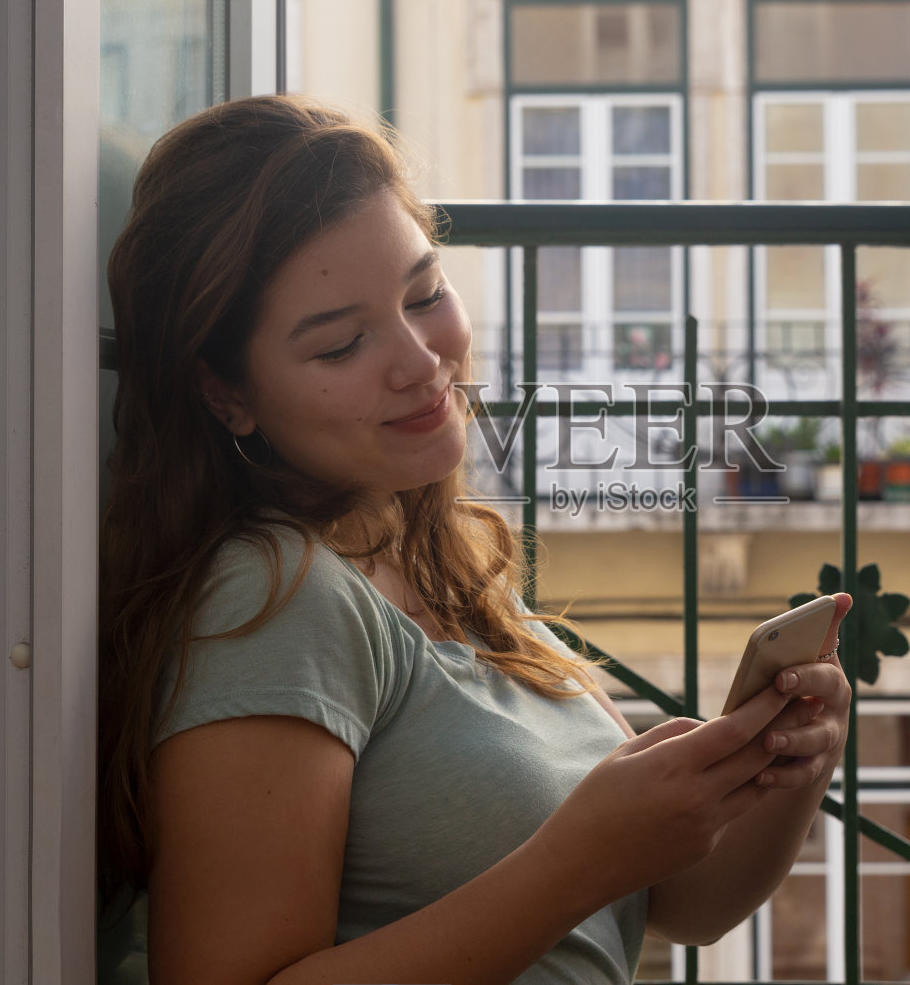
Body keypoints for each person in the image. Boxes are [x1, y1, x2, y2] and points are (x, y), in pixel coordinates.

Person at [95, 93, 852, 985]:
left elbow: (684, 903)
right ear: (227, 394)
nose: (421, 360)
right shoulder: (271, 595)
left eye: (425, 294)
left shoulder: (450, 569)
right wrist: (581, 857)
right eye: (340, 345)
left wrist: (790, 765)